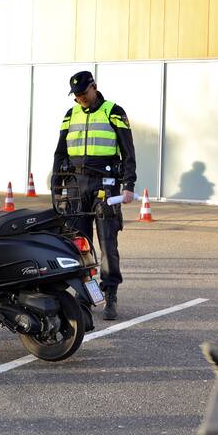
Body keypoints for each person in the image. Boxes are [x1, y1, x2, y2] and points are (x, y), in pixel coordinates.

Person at [52, 70, 136, 321]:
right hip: (76, 183)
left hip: (104, 183)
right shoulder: (70, 114)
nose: (80, 99)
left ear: (94, 87)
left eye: (83, 93)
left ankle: (110, 293)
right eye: (76, 96)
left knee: (107, 241)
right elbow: (60, 152)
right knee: (79, 241)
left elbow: (128, 152)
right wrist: (57, 182)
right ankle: (84, 291)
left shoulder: (114, 111)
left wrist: (129, 184)